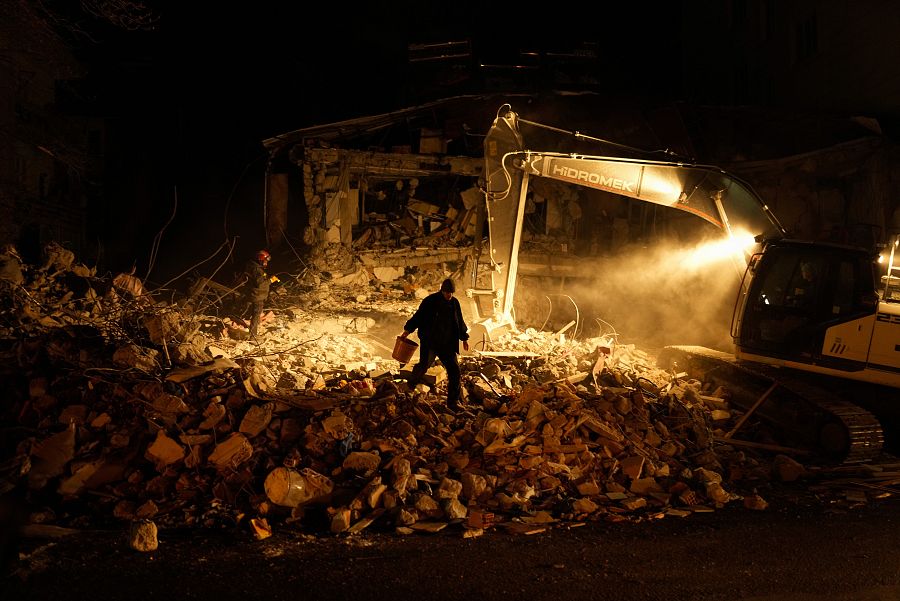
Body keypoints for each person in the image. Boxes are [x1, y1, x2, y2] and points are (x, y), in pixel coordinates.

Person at [399, 278, 470, 410]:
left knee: (455, 372)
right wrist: (407, 331)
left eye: (451, 293)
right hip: (430, 342)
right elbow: (418, 317)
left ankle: (452, 403)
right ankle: (410, 386)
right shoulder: (430, 301)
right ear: (442, 291)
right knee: (423, 365)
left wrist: (464, 338)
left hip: (447, 345)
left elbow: (459, 321)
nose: (449, 295)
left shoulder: (454, 303)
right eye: (447, 293)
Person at [240, 249, 271, 338]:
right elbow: (260, 283)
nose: (266, 263)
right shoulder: (256, 269)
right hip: (257, 295)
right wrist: (270, 280)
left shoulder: (253, 267)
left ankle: (253, 331)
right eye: (265, 261)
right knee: (256, 314)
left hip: (255, 294)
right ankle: (253, 336)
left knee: (255, 313)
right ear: (260, 259)